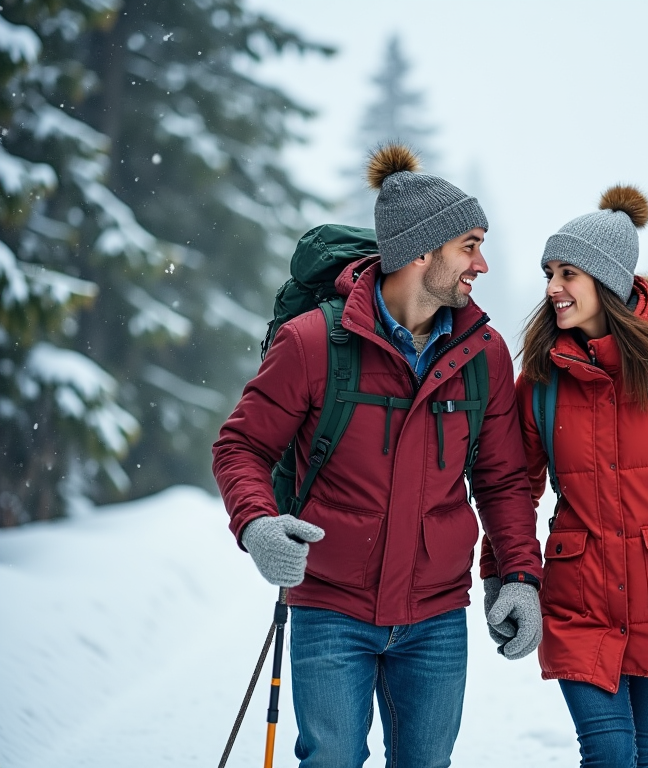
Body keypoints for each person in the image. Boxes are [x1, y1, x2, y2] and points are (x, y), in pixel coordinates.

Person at [212, 144, 543, 768]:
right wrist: (257, 524)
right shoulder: (314, 343)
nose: (483, 264)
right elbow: (242, 445)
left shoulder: (484, 356)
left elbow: (503, 481)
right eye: (470, 245)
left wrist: (520, 577)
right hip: (330, 606)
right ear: (423, 250)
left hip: (436, 616)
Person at [481, 185, 648, 768]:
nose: (552, 288)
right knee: (609, 753)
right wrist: (503, 578)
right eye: (548, 273)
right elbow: (511, 488)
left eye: (568, 274)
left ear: (607, 281)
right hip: (577, 599)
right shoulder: (540, 380)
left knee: (644, 754)